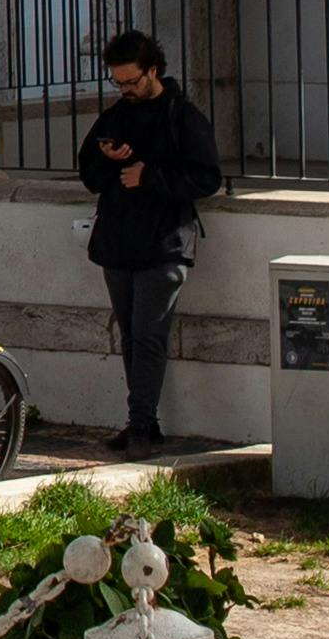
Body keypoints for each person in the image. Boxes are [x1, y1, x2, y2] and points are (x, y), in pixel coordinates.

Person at [75, 28, 224, 454]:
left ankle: (141, 424)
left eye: (132, 82)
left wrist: (150, 175)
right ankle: (143, 422)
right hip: (119, 241)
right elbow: (89, 174)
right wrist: (109, 160)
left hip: (164, 244)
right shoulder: (116, 115)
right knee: (131, 335)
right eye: (118, 83)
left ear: (152, 70)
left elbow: (206, 177)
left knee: (148, 335)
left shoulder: (183, 116)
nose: (125, 90)